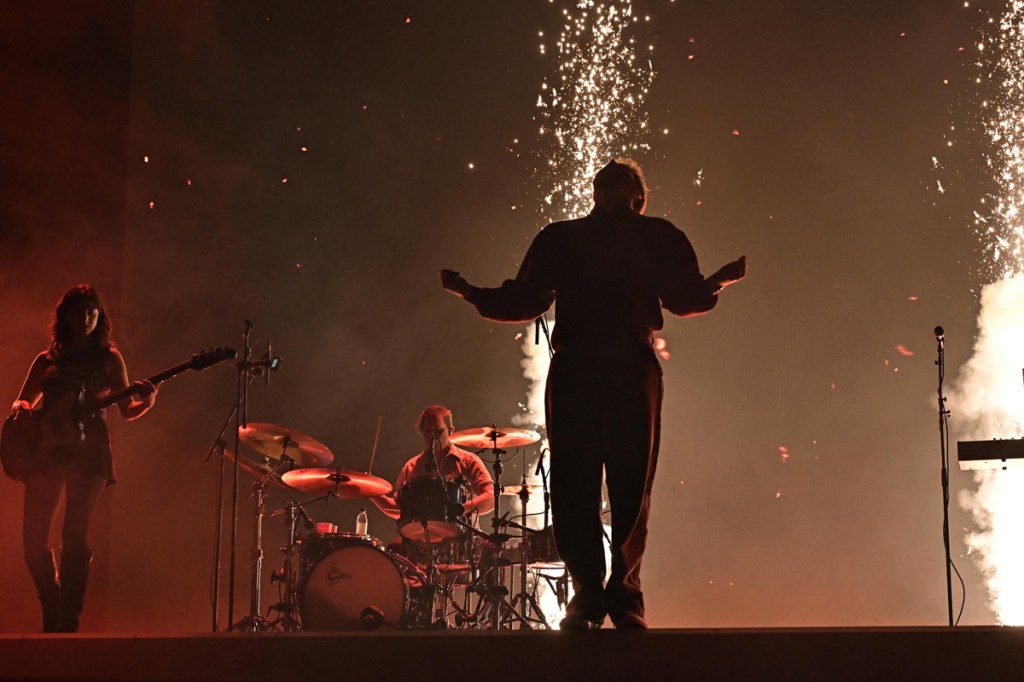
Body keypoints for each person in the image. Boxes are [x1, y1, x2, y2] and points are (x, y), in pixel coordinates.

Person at [440, 159, 746, 629]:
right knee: (602, 485)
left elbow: (526, 300)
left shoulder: (573, 237)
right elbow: (684, 299)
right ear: (632, 197)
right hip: (613, 365)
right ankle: (607, 597)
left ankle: (602, 597)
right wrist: (719, 281)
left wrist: (470, 293)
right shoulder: (635, 235)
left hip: (595, 366)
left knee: (599, 484)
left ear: (616, 195)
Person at [9, 284, 157, 632]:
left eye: (92, 312)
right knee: (33, 542)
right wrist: (23, 410)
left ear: (99, 316)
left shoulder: (108, 358)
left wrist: (147, 401)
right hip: (46, 451)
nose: (86, 318)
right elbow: (20, 401)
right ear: (65, 317)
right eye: (79, 312)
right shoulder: (46, 361)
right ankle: (53, 603)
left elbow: (127, 409)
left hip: (89, 452)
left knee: (74, 535)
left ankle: (68, 616)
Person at [370, 405, 494, 553]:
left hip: (460, 546)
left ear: (451, 430)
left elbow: (491, 498)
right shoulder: (411, 466)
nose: (433, 436)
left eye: (438, 431)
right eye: (427, 431)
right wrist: (370, 491)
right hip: (420, 544)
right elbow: (399, 508)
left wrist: (461, 509)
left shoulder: (467, 461)